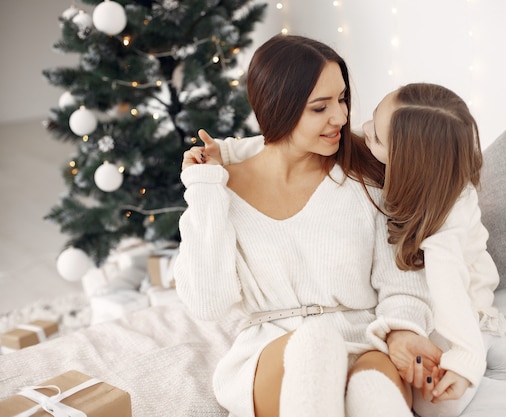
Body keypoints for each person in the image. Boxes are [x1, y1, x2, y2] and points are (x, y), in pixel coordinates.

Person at [209, 82, 506, 416]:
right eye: (372, 118)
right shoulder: (397, 161)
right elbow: (287, 141)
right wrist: (227, 153)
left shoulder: (452, 209)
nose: (359, 128)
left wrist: (467, 359)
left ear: (403, 159)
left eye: (376, 136)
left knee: (432, 403)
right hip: (424, 309)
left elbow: (449, 286)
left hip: (464, 322)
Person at [174, 34, 442, 417]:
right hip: (275, 349)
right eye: (321, 107)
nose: (342, 117)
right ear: (277, 108)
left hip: (366, 342)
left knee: (375, 390)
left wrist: (402, 329)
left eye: (342, 98)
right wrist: (204, 190)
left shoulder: (366, 177)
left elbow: (403, 280)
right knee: (316, 343)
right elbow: (208, 302)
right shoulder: (220, 187)